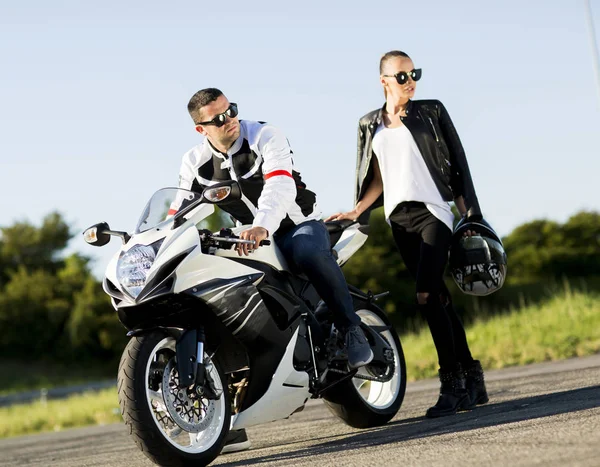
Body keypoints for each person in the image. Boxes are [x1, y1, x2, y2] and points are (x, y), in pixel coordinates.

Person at [178, 88, 374, 452]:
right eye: (218, 118)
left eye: (231, 110)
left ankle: (351, 329)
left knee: (307, 252)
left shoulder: (265, 135)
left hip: (293, 225)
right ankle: (227, 418)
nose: (229, 119)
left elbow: (280, 184)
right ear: (201, 129)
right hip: (248, 238)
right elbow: (181, 210)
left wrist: (262, 225)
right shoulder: (194, 161)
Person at [326, 50, 488, 418]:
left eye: (414, 73)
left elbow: (458, 163)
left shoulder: (431, 112)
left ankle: (453, 384)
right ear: (383, 81)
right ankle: (473, 379)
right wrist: (356, 210)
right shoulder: (370, 124)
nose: (410, 80)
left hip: (433, 214)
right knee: (440, 299)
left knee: (426, 294)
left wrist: (471, 215)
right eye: (401, 76)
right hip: (399, 220)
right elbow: (377, 177)